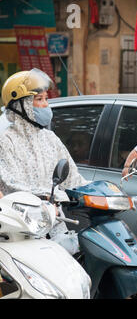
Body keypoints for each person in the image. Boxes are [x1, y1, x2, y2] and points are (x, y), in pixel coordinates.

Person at [0, 68, 88, 252]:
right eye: (39, 99)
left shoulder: (50, 138)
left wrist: (99, 190)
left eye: (46, 99)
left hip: (55, 222)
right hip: (22, 228)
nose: (46, 105)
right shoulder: (6, 141)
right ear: (21, 104)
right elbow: (11, 183)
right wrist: (48, 197)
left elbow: (73, 178)